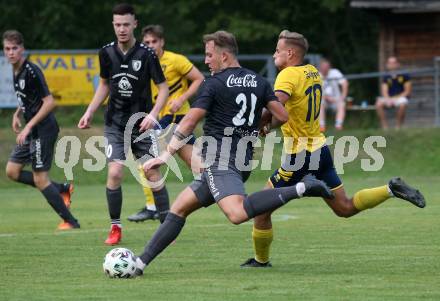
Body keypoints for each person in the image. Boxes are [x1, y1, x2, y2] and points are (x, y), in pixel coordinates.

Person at [133, 30, 334, 275]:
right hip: (241, 161)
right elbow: (282, 115)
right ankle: (139, 264)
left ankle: (303, 187)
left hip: (220, 160)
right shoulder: (259, 81)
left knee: (237, 214)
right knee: (179, 209)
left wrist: (165, 156)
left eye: (209, 55)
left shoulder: (214, 83)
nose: (206, 61)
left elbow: (188, 122)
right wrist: (261, 129)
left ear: (224, 56)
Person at [240, 30, 426, 268]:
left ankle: (261, 261)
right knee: (344, 208)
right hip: (320, 150)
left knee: (261, 210)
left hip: (299, 157)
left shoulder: (287, 75)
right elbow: (291, 113)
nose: (274, 54)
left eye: (277, 49)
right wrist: (270, 125)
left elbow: (275, 107)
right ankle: (391, 189)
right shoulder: (313, 72)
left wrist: (253, 126)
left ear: (290, 53)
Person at [78, 3, 170, 245]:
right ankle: (115, 228)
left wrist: (154, 114)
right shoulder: (106, 53)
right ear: (113, 25)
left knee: (152, 173)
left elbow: (163, 88)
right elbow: (105, 85)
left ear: (134, 25)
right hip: (115, 124)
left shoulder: (147, 54)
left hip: (142, 125)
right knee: (115, 172)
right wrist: (89, 111)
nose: (121, 29)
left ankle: (166, 227)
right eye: (117, 24)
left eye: (126, 24)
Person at [128, 24, 204, 223]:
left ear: (162, 42)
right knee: (145, 159)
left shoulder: (176, 60)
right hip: (156, 119)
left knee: (194, 163)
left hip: (177, 117)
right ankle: (152, 206)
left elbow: (199, 79)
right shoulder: (142, 62)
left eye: (154, 41)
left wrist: (181, 98)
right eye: (147, 42)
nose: (151, 45)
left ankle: (222, 189)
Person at [3, 30, 79, 230]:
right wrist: (17, 113)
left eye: (14, 48)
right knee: (12, 171)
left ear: (22, 49)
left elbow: (49, 102)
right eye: (7, 49)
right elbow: (28, 97)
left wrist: (28, 126)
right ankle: (62, 188)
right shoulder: (15, 69)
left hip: (43, 129)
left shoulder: (31, 70)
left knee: (40, 178)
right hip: (32, 129)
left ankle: (70, 221)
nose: (11, 53)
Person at [375, 56, 411, 130]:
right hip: (389, 98)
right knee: (378, 104)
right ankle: (385, 127)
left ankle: (398, 127)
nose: (392, 65)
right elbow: (384, 91)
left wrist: (395, 98)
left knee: (402, 104)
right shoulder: (386, 77)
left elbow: (407, 91)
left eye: (394, 63)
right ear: (387, 65)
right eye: (390, 63)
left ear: (398, 64)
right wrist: (388, 99)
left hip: (401, 98)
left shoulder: (405, 76)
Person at [319, 58, 349, 131]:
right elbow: (316, 91)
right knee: (318, 104)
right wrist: (326, 98)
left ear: (329, 67)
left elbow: (345, 83)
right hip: (323, 100)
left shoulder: (335, 72)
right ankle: (321, 126)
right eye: (323, 67)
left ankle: (338, 125)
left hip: (336, 99)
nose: (325, 68)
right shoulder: (317, 75)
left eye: (327, 67)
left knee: (342, 104)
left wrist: (343, 97)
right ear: (320, 67)